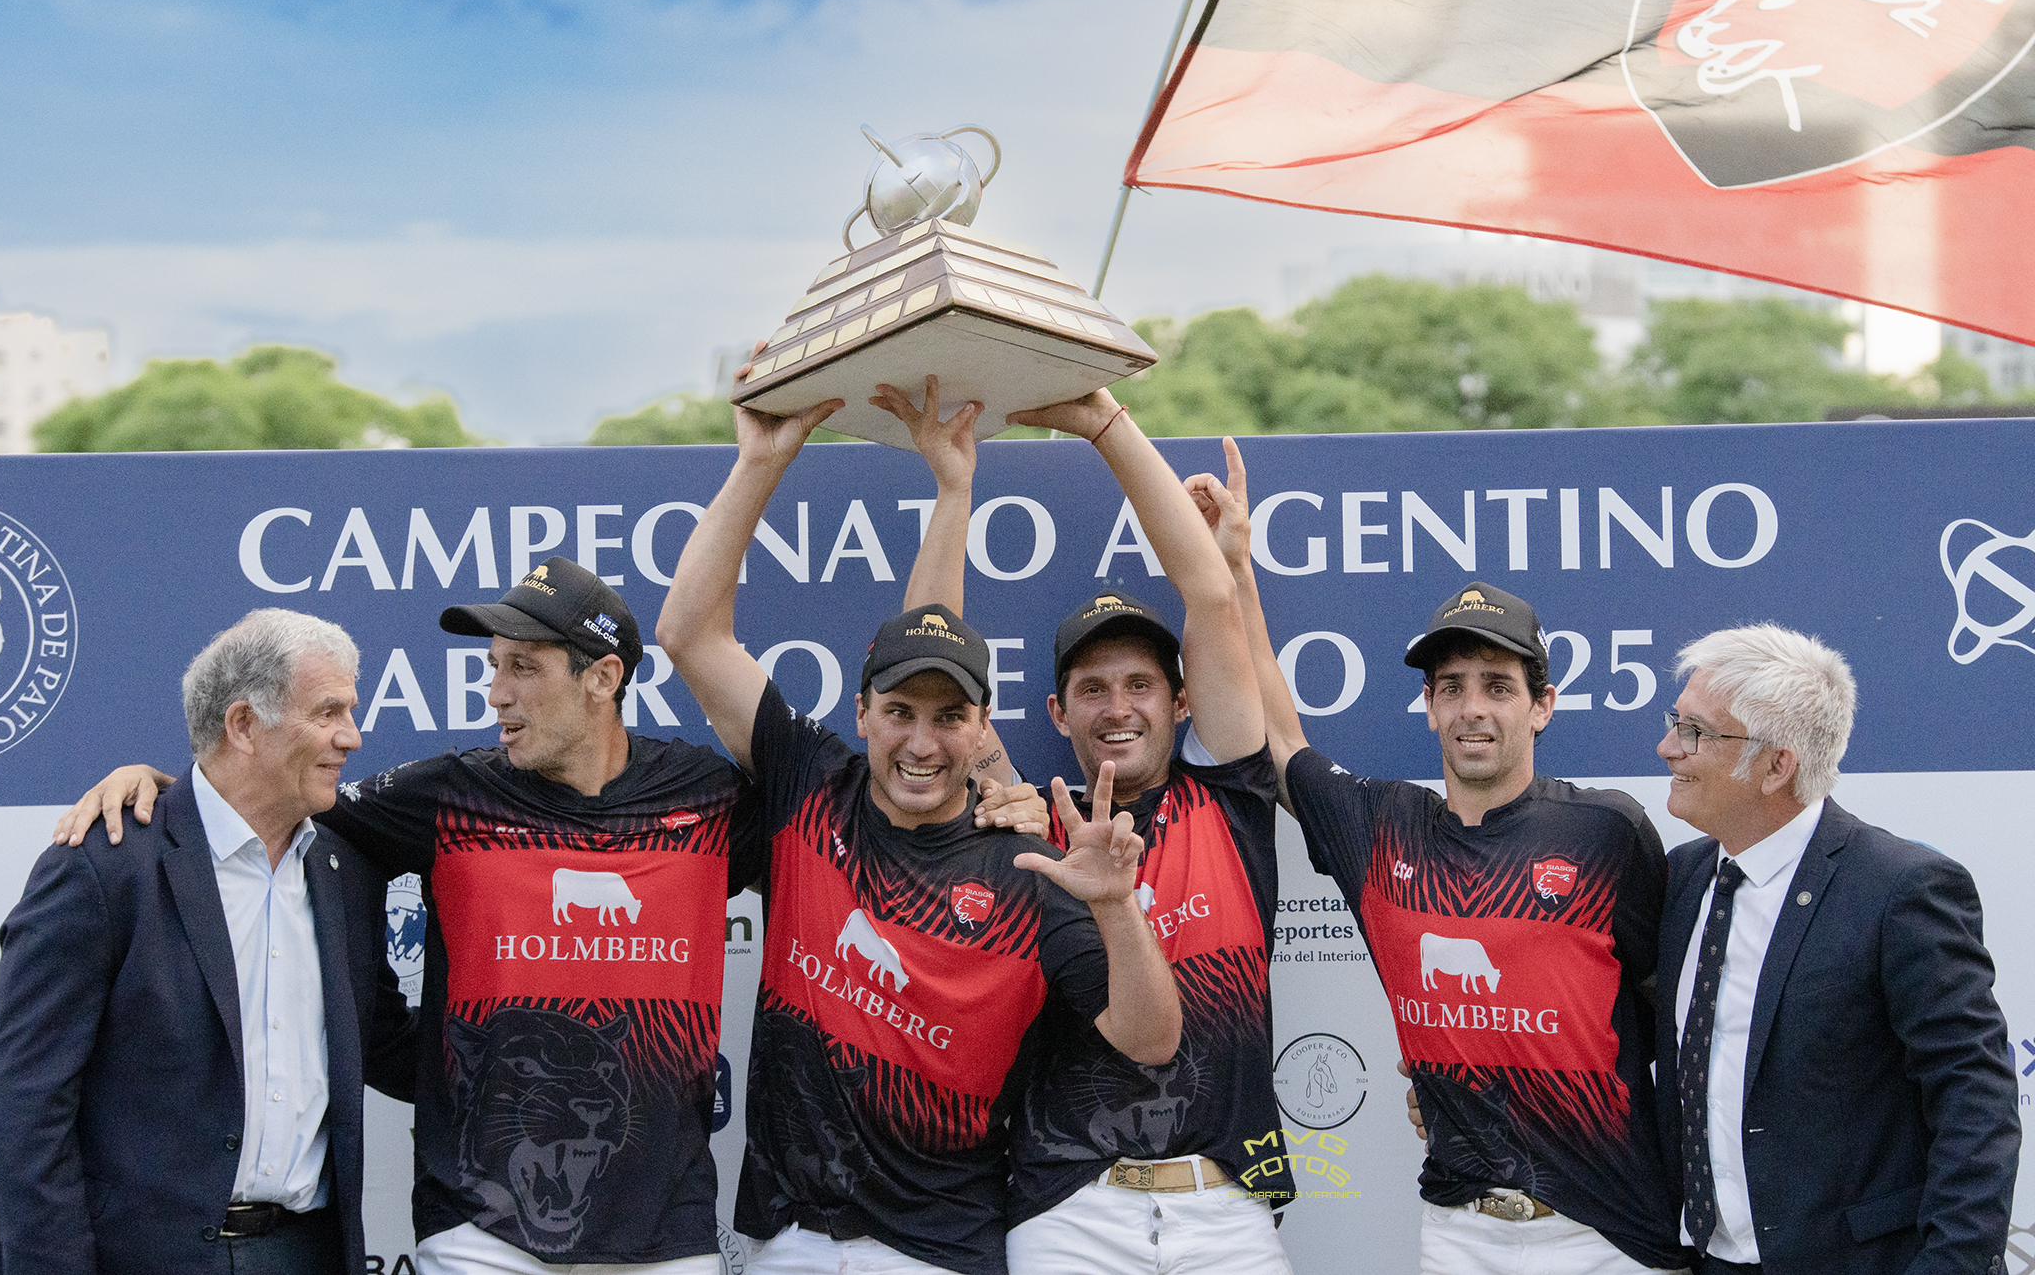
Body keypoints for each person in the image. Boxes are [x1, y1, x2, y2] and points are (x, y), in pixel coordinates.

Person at [55, 560, 753, 1274]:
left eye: (523, 667)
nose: (497, 693)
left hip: (667, 1233)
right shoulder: (452, 792)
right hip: (478, 1233)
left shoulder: (707, 796)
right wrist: (160, 787)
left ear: (602, 678)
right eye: (493, 666)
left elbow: (818, 842)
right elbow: (266, 802)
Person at [656, 382, 1182, 1275]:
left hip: (940, 1251)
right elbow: (690, 635)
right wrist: (761, 462)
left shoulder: (1029, 866)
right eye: (900, 711)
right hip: (786, 1242)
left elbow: (1150, 1038)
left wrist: (1115, 907)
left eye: (948, 717)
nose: (922, 742)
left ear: (982, 728)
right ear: (862, 711)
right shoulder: (808, 782)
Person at [1187, 439, 1687, 1274]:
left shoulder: (1608, 831)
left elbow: (1671, 1012)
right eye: (1451, 686)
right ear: (1428, 705)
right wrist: (1236, 566)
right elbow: (1276, 734)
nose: (1472, 708)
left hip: (1607, 1234)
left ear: (1542, 705)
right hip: (1458, 1230)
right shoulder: (1382, 826)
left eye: (1498, 686)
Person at [882, 385, 1290, 1273]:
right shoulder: (1025, 819)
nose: (1119, 707)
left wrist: (1104, 422)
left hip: (1227, 1208)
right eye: (1092, 689)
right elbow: (926, 653)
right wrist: (954, 489)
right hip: (1069, 1210)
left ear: (1182, 701)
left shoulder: (1232, 798)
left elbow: (1211, 596)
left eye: (1141, 684)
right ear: (1056, 712)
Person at [0, 609, 416, 1275]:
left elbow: (385, 1044)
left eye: (350, 711)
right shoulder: (105, 867)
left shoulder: (347, 871)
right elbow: (27, 1101)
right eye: (328, 712)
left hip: (308, 1253)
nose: (352, 737)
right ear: (243, 725)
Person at [1654, 624, 2017, 1275]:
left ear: (1776, 765)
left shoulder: (1900, 889)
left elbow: (1975, 1099)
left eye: (1696, 731)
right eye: (1675, 722)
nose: (1668, 747)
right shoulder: (1683, 878)